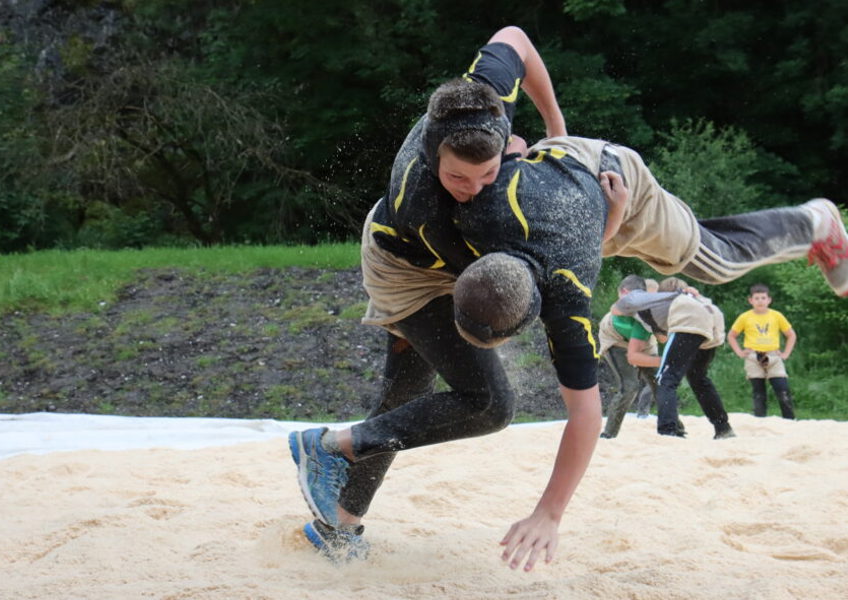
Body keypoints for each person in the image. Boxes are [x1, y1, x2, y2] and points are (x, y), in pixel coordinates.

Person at [288, 26, 601, 573]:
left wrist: (555, 129)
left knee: (407, 392)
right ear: (435, 153)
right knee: (488, 403)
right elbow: (498, 290)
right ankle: (328, 445)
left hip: (445, 253)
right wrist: (605, 221)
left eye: (487, 174)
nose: (476, 188)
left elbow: (517, 39)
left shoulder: (474, 103)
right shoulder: (429, 204)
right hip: (406, 267)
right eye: (459, 176)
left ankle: (337, 525)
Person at [611, 277, 736, 439]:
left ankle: (668, 431)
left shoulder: (640, 297)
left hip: (690, 319)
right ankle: (723, 428)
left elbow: (616, 309)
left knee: (666, 379)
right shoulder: (669, 306)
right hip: (713, 318)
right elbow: (665, 338)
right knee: (698, 377)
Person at [598, 274, 668, 439]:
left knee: (662, 383)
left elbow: (663, 338)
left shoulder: (651, 313)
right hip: (615, 340)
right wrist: (665, 361)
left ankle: (673, 427)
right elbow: (633, 357)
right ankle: (609, 434)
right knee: (629, 386)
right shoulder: (626, 308)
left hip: (643, 337)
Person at [727, 283, 797, 419]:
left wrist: (786, 353)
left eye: (763, 298)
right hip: (753, 356)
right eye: (757, 298)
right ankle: (760, 420)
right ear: (750, 300)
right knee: (758, 392)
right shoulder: (745, 317)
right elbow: (731, 335)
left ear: (769, 300)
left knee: (782, 389)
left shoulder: (776, 316)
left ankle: (789, 420)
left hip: (773, 356)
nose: (760, 301)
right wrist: (739, 352)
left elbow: (791, 334)